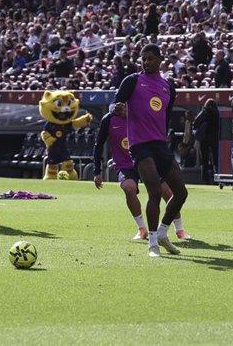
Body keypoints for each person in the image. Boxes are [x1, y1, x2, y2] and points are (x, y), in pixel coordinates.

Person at [111, 44, 189, 258]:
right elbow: (113, 105)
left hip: (160, 144)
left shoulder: (168, 87)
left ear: (160, 60)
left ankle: (163, 232)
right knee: (154, 191)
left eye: (150, 58)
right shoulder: (133, 80)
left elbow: (166, 116)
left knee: (181, 193)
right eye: (143, 58)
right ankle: (152, 244)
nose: (146, 62)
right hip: (140, 144)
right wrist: (117, 108)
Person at [92, 109, 190, 242]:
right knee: (129, 188)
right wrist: (97, 171)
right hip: (125, 164)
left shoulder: (142, 114)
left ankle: (179, 229)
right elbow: (99, 145)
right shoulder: (108, 119)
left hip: (147, 160)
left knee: (166, 192)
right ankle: (142, 229)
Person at [193, 98, 220, 184]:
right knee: (216, 158)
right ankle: (216, 175)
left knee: (204, 159)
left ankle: (205, 178)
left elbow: (196, 122)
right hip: (214, 138)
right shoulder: (217, 113)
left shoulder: (204, 112)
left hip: (204, 138)